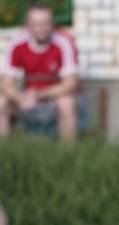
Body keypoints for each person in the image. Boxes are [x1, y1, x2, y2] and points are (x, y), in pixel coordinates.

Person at [0, 2, 80, 142]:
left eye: (45, 23)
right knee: (1, 102)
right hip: (25, 97)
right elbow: (6, 83)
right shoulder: (17, 43)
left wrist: (37, 96)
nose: (41, 29)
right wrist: (19, 98)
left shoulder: (64, 42)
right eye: (36, 24)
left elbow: (70, 83)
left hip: (53, 96)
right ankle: (5, 152)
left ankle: (68, 154)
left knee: (67, 103)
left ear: (52, 23)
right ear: (28, 25)